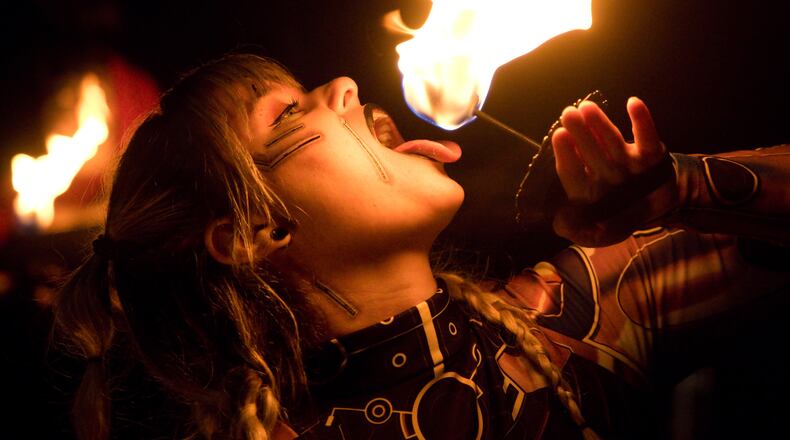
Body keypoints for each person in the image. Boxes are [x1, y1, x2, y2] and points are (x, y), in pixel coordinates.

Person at [52, 53, 790, 440]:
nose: (345, 85)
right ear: (250, 233)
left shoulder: (573, 325)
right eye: (286, 114)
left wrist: (680, 189)